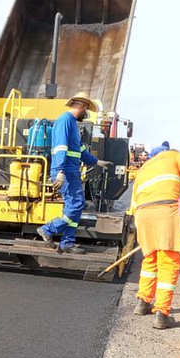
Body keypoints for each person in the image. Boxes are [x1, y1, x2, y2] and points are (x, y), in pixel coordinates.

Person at [129, 146, 180, 329]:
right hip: (165, 212)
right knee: (168, 263)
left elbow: (133, 205)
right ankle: (162, 313)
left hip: (143, 215)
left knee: (151, 259)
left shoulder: (144, 167)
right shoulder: (174, 156)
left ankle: (142, 302)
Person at [36, 91, 112, 254]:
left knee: (75, 206)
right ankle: (48, 229)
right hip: (65, 171)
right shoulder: (65, 120)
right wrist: (61, 171)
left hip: (71, 171)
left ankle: (67, 243)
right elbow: (60, 147)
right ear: (82, 106)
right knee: (76, 204)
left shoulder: (72, 124)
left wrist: (97, 162)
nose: (87, 113)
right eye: (87, 109)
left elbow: (80, 150)